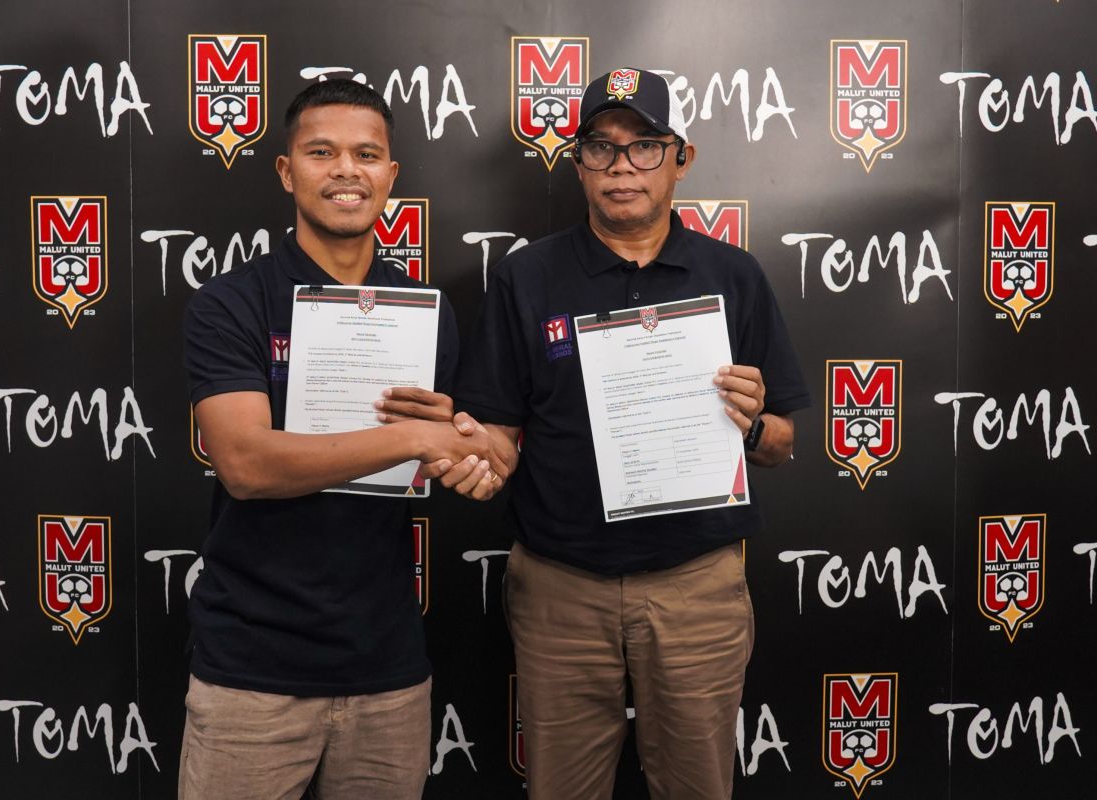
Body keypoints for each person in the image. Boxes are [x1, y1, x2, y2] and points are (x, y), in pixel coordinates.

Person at [399, 68, 811, 799]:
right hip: (562, 586)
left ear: (681, 158)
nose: (622, 166)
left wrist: (751, 427)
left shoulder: (734, 275)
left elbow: (783, 441)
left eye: (644, 146)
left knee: (697, 787)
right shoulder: (526, 278)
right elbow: (497, 435)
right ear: (578, 163)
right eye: (600, 147)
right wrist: (473, 456)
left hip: (695, 585)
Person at [178, 79, 505, 800]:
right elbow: (246, 466)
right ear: (286, 170)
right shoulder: (231, 302)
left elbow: (466, 453)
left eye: (366, 154)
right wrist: (413, 437)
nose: (346, 170)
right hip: (252, 671)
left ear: (391, 174)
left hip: (386, 668)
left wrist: (460, 451)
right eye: (321, 152)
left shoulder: (424, 312)